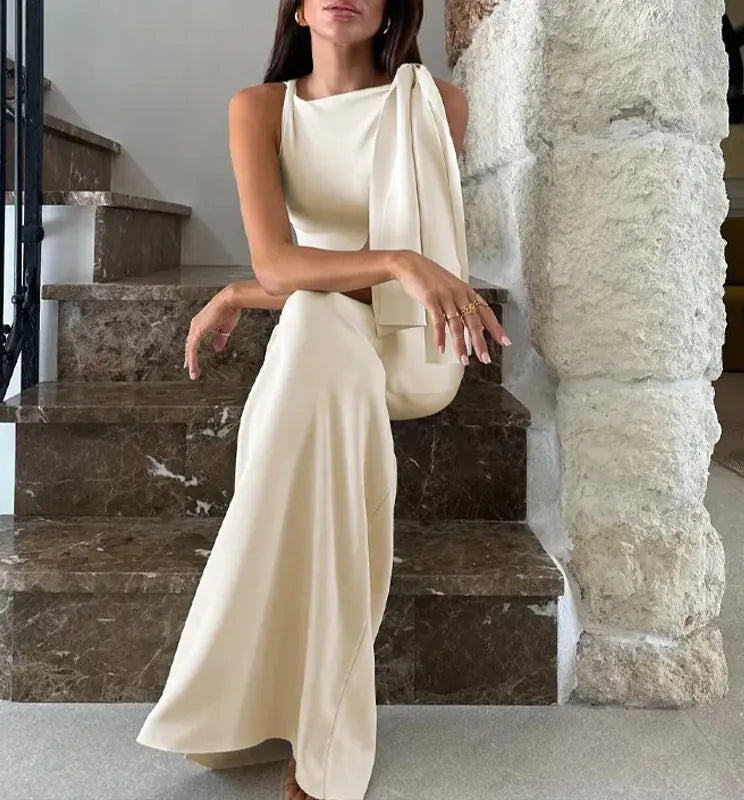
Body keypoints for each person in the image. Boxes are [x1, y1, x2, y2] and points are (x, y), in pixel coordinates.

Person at [135, 2, 512, 798]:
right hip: (328, 334)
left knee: (309, 328)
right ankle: (322, 732)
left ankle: (247, 706)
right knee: (312, 328)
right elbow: (281, 264)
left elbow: (394, 284)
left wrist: (255, 289)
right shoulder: (259, 109)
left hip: (414, 346)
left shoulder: (436, 104)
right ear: (299, 8)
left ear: (393, 7)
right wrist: (394, 261)